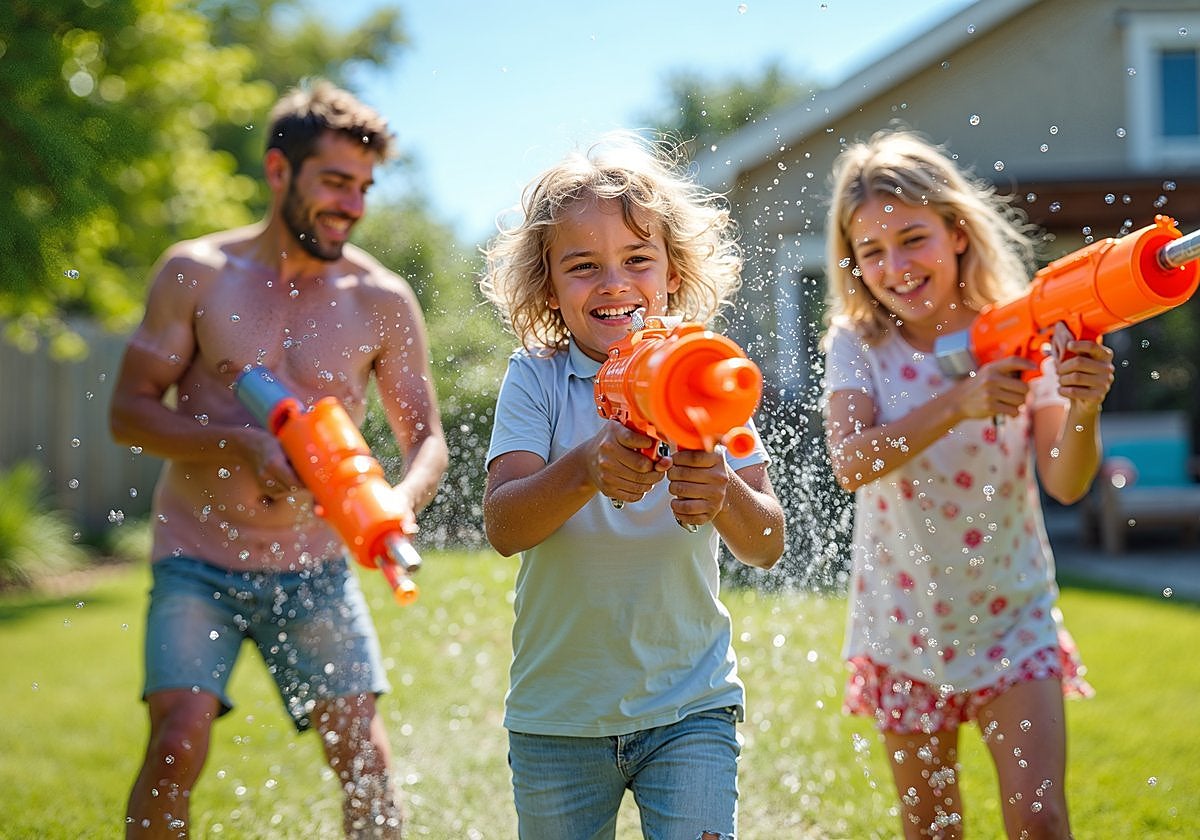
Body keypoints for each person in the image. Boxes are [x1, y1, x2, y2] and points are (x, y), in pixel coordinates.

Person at [110, 80, 448, 839]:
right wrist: (236, 440)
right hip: (198, 558)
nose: (352, 205)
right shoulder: (196, 273)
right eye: (334, 181)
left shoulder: (381, 299)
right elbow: (128, 412)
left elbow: (426, 439)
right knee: (176, 742)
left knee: (362, 756)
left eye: (364, 187)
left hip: (315, 565)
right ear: (276, 171)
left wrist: (399, 501)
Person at [478, 131, 786, 840]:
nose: (614, 282)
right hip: (560, 717)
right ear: (548, 289)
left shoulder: (703, 373)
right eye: (583, 267)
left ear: (673, 272)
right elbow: (503, 527)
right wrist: (584, 467)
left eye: (637, 259)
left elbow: (766, 543)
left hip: (691, 708)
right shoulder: (538, 378)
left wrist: (724, 494)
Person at [821, 128, 1116, 839]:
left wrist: (1083, 406)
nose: (895, 265)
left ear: (956, 232)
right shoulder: (859, 344)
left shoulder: (1025, 330)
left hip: (1015, 618)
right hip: (905, 629)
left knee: (1041, 823)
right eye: (872, 251)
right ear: (853, 263)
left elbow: (1067, 481)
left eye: (913, 238)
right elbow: (850, 462)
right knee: (932, 829)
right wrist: (960, 401)